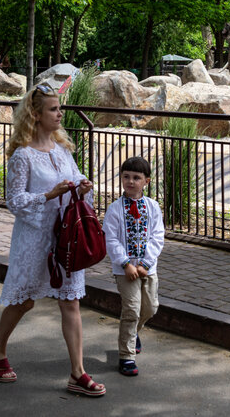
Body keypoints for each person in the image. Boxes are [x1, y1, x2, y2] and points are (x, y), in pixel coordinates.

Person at [0, 82, 105, 397]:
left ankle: (77, 373)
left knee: (71, 301)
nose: (60, 114)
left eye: (59, 108)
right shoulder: (23, 155)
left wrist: (82, 187)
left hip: (66, 238)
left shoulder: (63, 148)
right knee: (24, 300)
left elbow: (78, 178)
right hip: (34, 237)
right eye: (53, 109)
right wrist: (48, 194)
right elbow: (14, 201)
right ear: (36, 115)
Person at [102, 156, 164, 377]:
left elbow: (158, 236)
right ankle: (126, 356)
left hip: (148, 269)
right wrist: (126, 264)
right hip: (125, 271)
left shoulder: (152, 207)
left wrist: (146, 263)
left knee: (150, 308)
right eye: (126, 176)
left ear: (146, 181)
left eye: (136, 178)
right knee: (131, 311)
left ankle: (134, 332)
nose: (130, 181)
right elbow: (111, 239)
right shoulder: (115, 209)